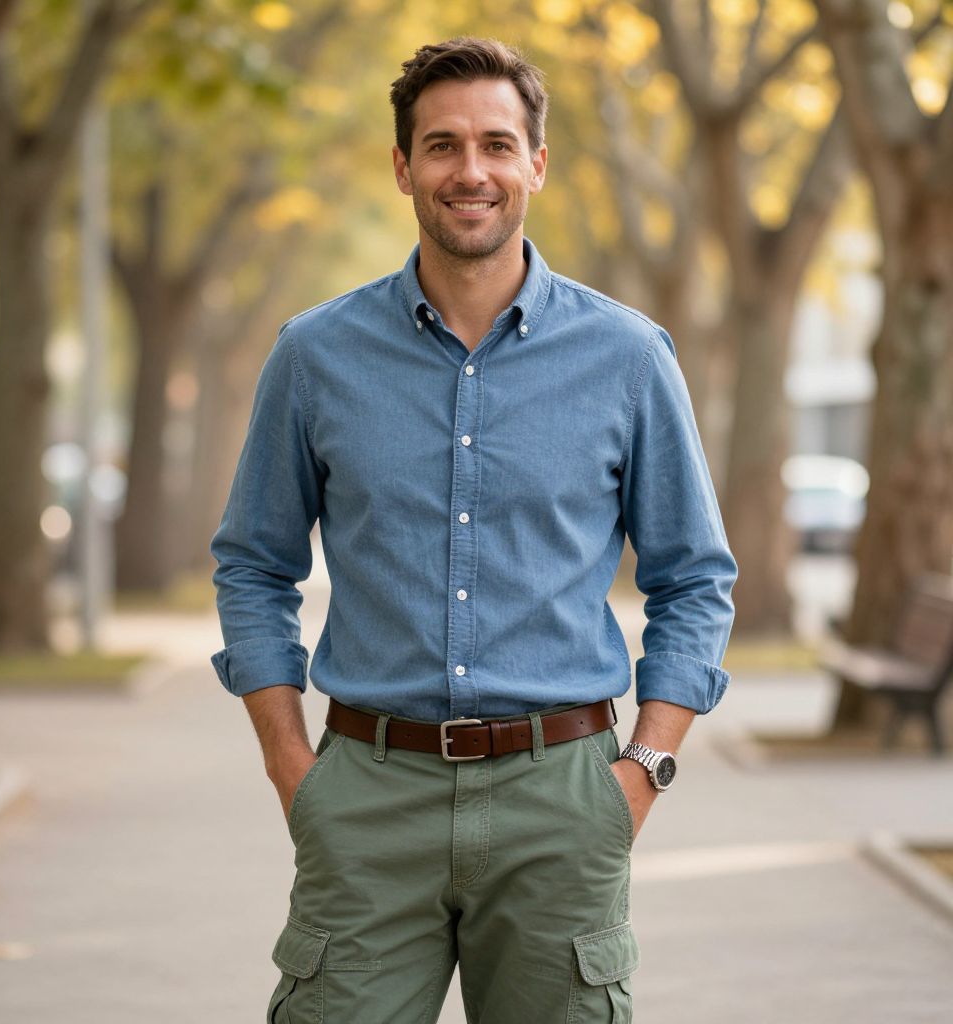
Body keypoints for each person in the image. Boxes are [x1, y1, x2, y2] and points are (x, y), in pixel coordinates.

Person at [209, 36, 737, 1024]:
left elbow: (694, 577)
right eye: (441, 145)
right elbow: (252, 564)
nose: (471, 171)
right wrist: (291, 767)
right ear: (403, 166)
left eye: (497, 144)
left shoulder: (627, 356)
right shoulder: (315, 353)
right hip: (366, 794)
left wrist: (644, 770)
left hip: (564, 799)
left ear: (536, 162)